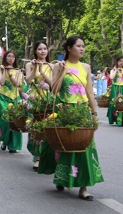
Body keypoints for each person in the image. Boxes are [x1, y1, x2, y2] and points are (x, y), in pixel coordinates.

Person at [38, 35, 103, 201]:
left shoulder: (87, 67)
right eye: (78, 46)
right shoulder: (59, 66)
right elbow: (54, 90)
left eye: (83, 46)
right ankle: (62, 178)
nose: (82, 49)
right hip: (64, 110)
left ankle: (83, 187)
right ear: (69, 48)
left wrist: (94, 113)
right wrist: (60, 72)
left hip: (81, 112)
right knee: (63, 146)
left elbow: (89, 91)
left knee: (84, 147)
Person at [25, 41, 53, 170]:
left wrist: (43, 70)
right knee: (36, 127)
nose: (43, 51)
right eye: (40, 49)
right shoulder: (29, 64)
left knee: (48, 127)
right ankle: (37, 157)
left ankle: (46, 156)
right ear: (35, 51)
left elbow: (53, 84)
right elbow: (29, 80)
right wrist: (36, 68)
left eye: (45, 49)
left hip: (47, 99)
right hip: (35, 99)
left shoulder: (51, 65)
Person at [0, 50, 23, 153]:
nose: (11, 58)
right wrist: (4, 71)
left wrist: (10, 73)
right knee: (4, 120)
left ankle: (13, 146)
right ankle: (5, 140)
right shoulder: (0, 69)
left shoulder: (18, 70)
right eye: (8, 56)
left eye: (13, 56)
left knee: (16, 122)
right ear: (5, 58)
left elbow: (17, 84)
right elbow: (2, 82)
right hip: (4, 97)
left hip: (15, 98)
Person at [107, 57, 123, 126]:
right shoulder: (113, 70)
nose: (121, 63)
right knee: (113, 102)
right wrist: (116, 70)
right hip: (115, 88)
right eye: (120, 61)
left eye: (122, 61)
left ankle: (120, 119)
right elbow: (111, 77)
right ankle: (114, 118)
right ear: (117, 62)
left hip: (122, 87)